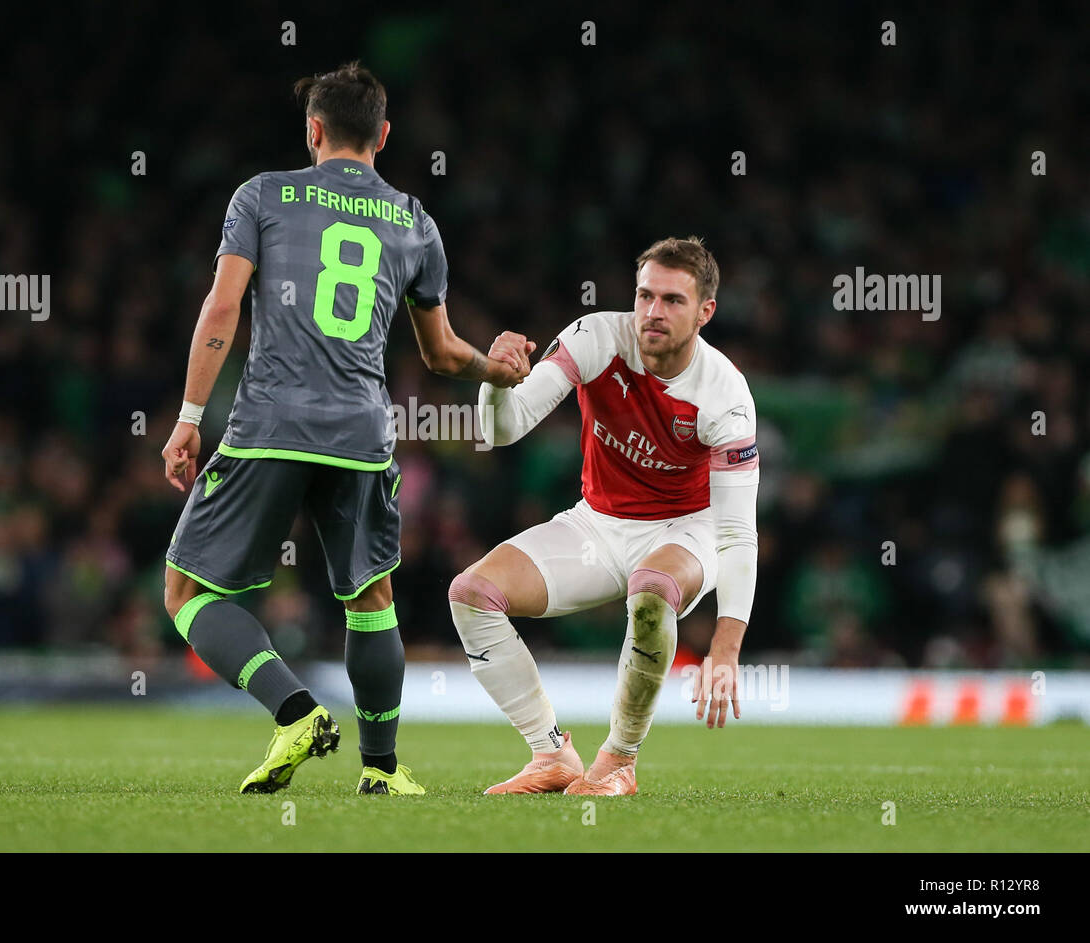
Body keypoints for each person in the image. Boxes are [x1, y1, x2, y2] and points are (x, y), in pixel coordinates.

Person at [160, 62, 529, 795]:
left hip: (270, 419)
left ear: (313, 130)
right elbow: (440, 352)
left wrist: (189, 417)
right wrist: (498, 368)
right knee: (371, 598)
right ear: (384, 136)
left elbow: (222, 309)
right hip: (362, 431)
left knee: (185, 590)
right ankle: (382, 770)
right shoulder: (415, 221)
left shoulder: (261, 195)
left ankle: (294, 710)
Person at [450, 236, 759, 795]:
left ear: (705, 312)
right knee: (471, 594)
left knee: (650, 589)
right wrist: (495, 381)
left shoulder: (725, 395)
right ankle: (551, 755)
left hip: (688, 530)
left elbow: (737, 533)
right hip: (597, 523)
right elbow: (502, 429)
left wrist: (725, 645)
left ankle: (618, 760)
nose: (652, 312)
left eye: (672, 301)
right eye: (645, 296)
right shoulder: (596, 337)